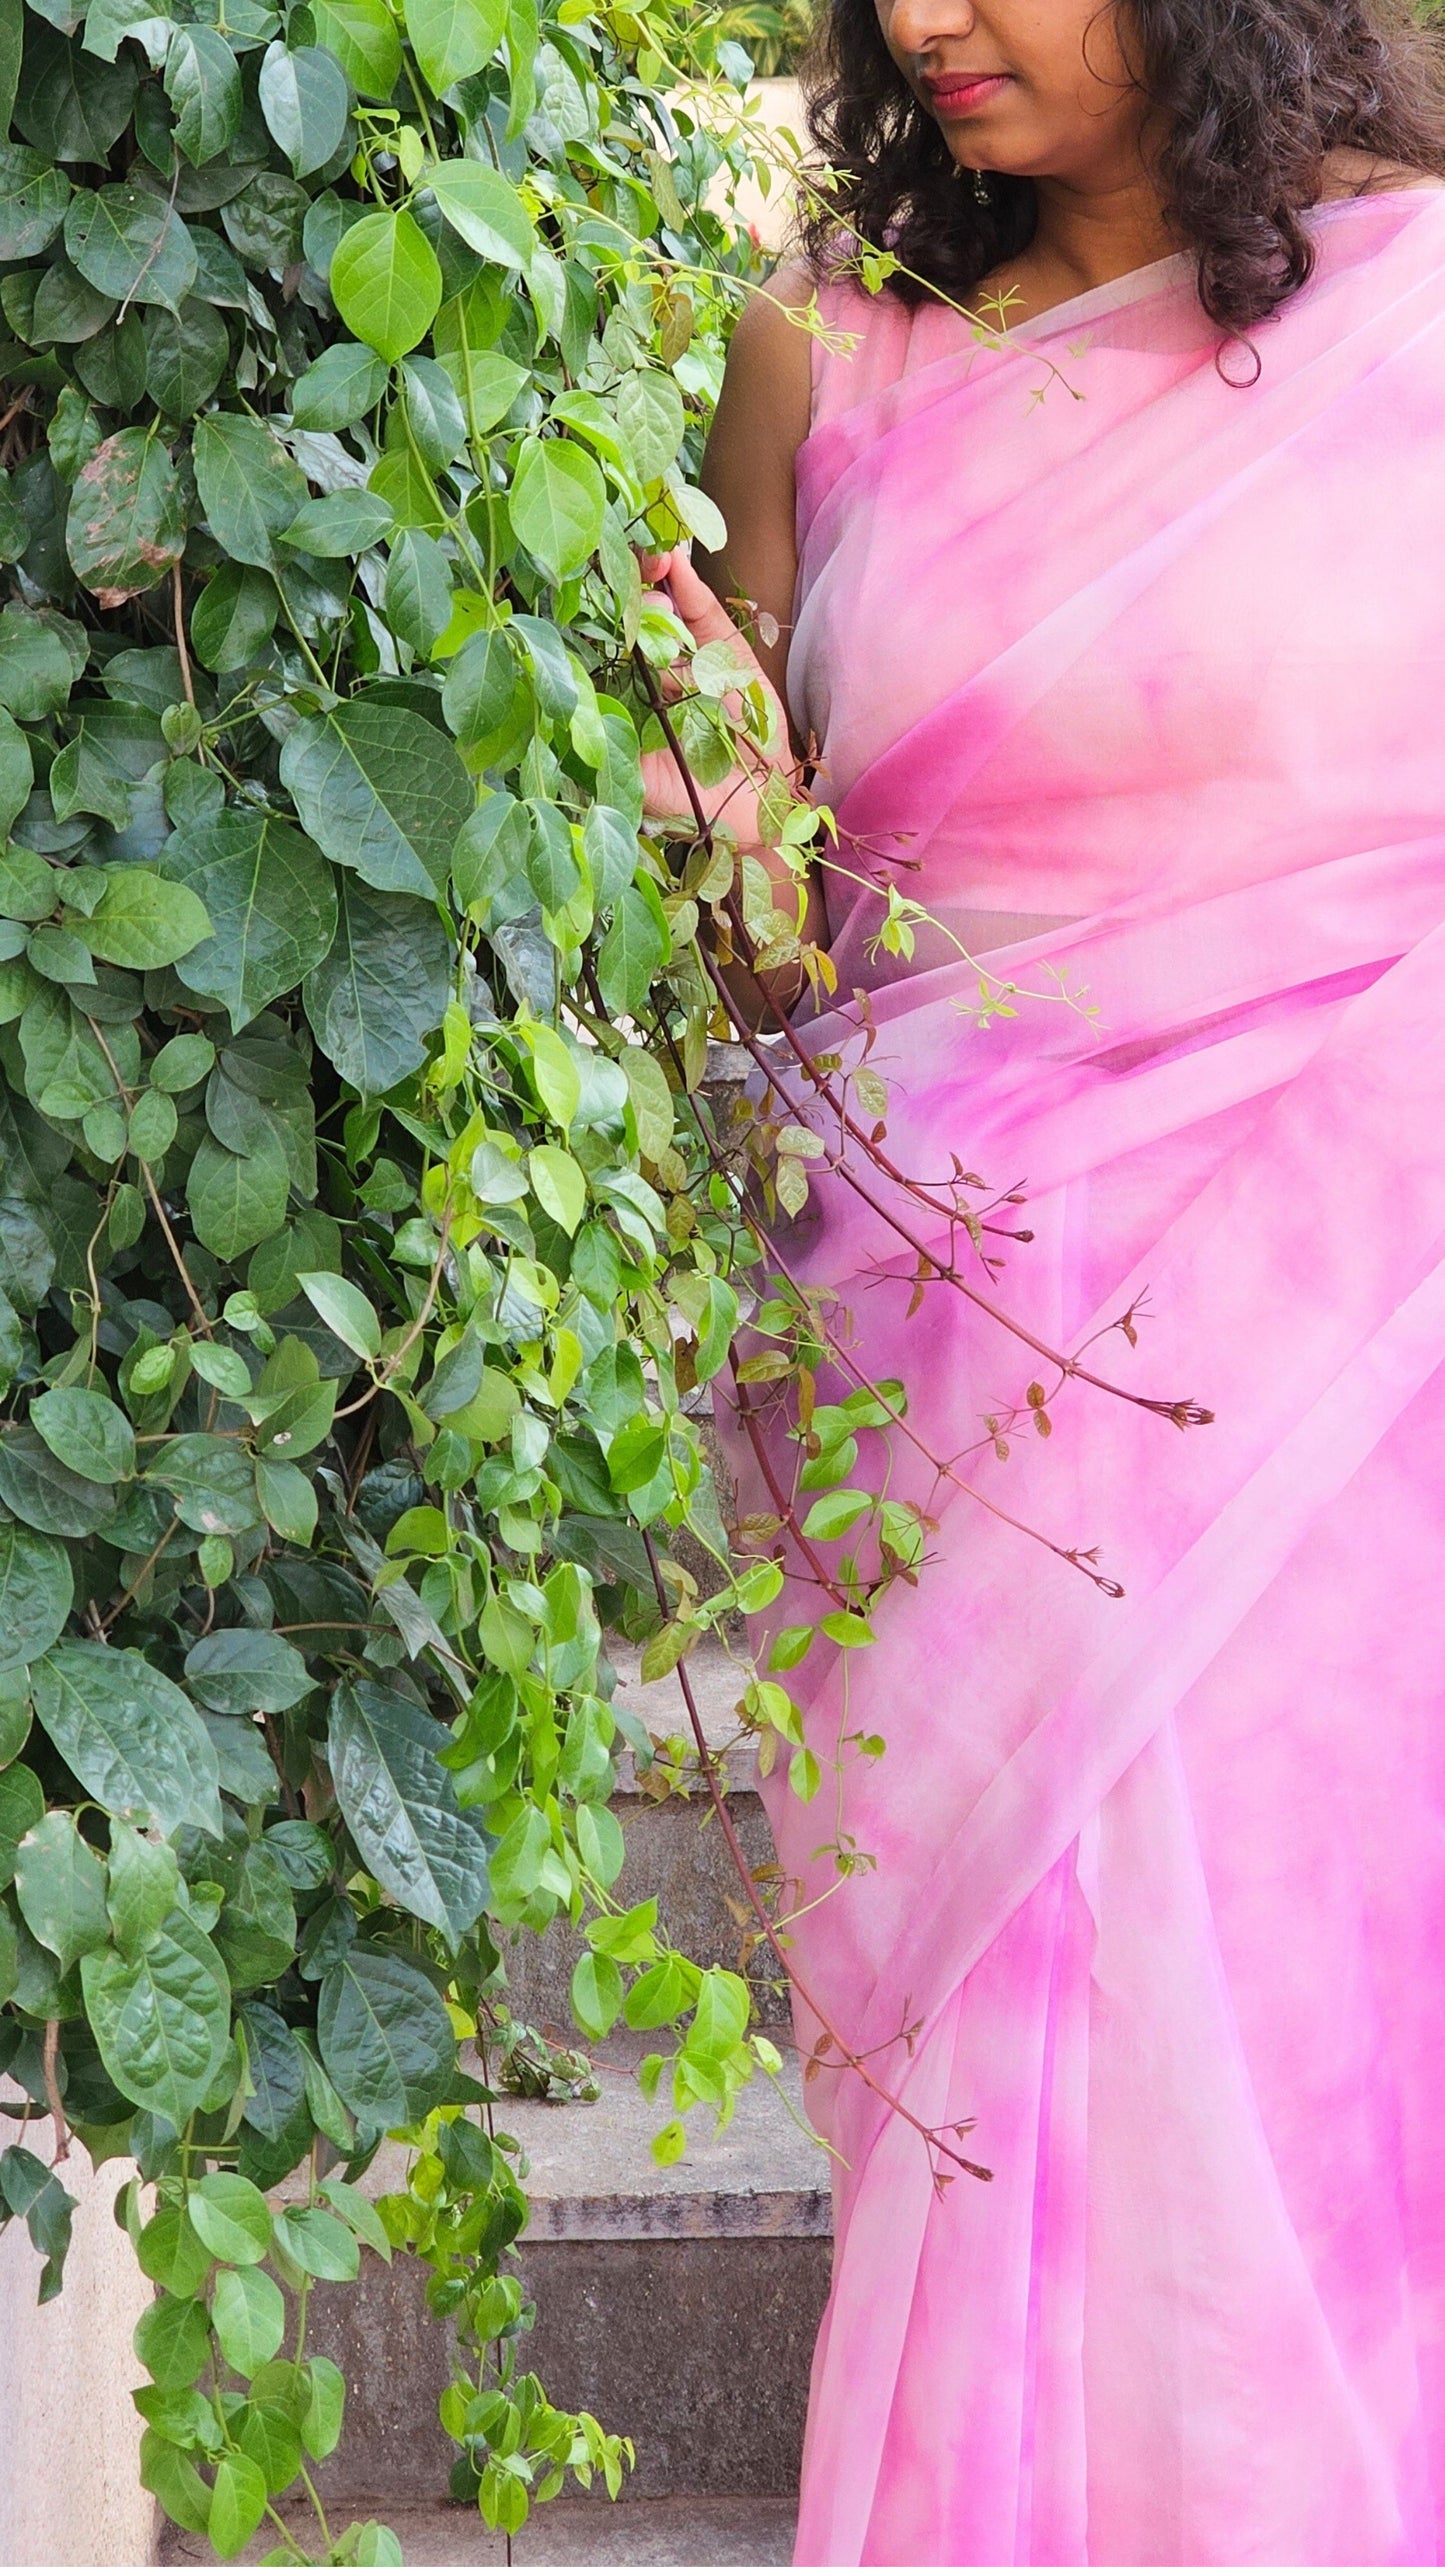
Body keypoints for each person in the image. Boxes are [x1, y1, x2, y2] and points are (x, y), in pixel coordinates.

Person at [642, 1, 1445, 2558]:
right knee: (1028, 2089)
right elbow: (768, 962)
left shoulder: (1425, 322)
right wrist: (695, 789)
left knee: (1302, 2087)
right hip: (949, 1385)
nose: (929, 22)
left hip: (1350, 1409)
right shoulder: (817, 360)